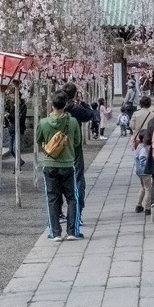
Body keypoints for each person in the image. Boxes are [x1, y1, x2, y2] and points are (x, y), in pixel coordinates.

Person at [35, 90, 82, 241]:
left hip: (50, 164)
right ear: (65, 104)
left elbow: (38, 140)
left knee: (52, 198)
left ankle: (55, 232)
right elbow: (77, 142)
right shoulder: (73, 122)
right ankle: (72, 231)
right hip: (68, 164)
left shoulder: (43, 123)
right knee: (72, 198)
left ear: (51, 104)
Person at [62, 83, 95, 221]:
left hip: (57, 148)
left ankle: (58, 211)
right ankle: (77, 211)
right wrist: (84, 104)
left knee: (58, 181)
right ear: (75, 94)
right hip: (74, 146)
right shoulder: (76, 108)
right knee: (78, 178)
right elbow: (90, 115)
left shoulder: (58, 107)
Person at [129, 96, 154, 215]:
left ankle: (139, 205)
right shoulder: (153, 113)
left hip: (139, 139)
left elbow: (132, 126)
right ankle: (147, 207)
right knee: (148, 187)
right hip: (149, 141)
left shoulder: (136, 113)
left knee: (143, 185)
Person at [4, 96, 28, 167]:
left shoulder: (23, 106)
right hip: (11, 130)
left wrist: (10, 116)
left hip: (20, 130)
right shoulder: (9, 104)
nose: (13, 98)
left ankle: (17, 167)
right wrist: (7, 123)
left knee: (15, 149)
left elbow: (21, 118)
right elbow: (6, 114)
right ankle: (20, 161)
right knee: (11, 149)